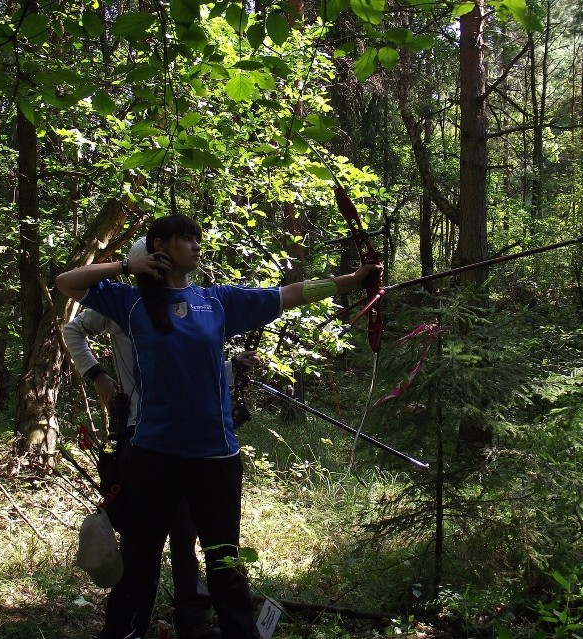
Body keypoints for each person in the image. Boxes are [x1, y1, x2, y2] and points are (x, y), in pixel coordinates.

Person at [56, 214, 381, 639]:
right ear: (159, 246)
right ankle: (124, 632)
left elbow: (287, 294)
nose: (196, 245)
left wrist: (351, 281)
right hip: (154, 453)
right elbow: (66, 281)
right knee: (140, 558)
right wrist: (126, 267)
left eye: (197, 238)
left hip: (215, 455)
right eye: (186, 238)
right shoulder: (130, 301)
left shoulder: (216, 300)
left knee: (224, 560)